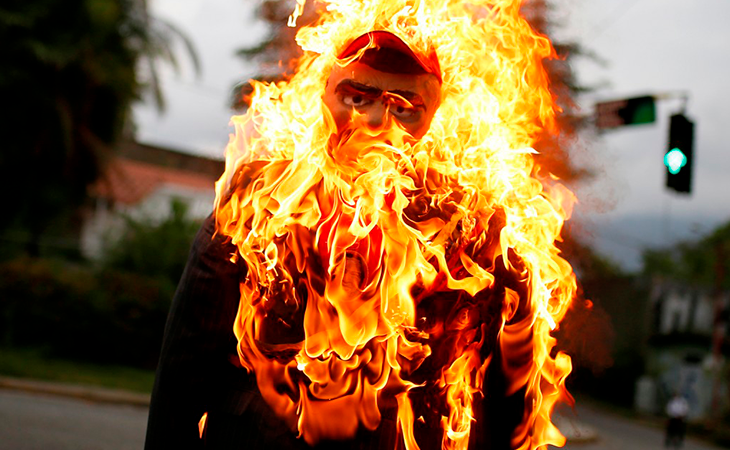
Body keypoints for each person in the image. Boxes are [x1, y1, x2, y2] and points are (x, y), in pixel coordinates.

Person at [144, 30, 446, 450]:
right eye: (357, 98)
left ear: (432, 116)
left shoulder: (452, 224)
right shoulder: (261, 198)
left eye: (404, 107)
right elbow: (187, 357)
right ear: (324, 95)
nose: (375, 121)